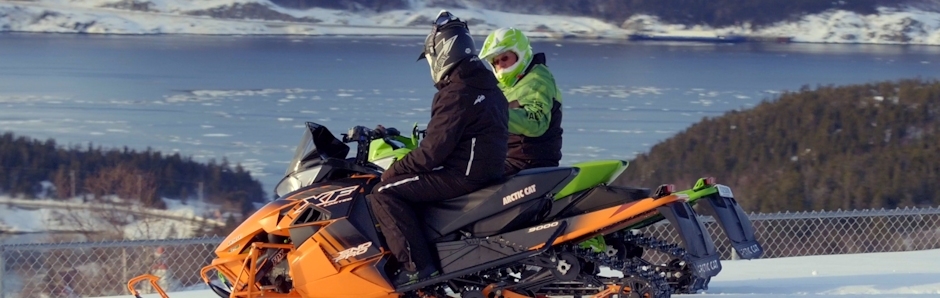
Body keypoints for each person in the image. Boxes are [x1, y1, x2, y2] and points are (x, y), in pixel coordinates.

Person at [366, 10, 509, 286]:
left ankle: (418, 268)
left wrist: (393, 170)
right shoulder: (486, 83)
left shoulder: (458, 91)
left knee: (383, 193)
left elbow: (432, 152)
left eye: (431, 58)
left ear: (441, 53)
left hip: (463, 175)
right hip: (486, 170)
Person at [479, 27, 564, 176]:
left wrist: (494, 115)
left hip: (529, 162)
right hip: (508, 159)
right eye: (496, 62)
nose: (501, 65)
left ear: (520, 53)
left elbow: (536, 122)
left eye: (505, 58)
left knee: (472, 183)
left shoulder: (537, 80)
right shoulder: (508, 85)